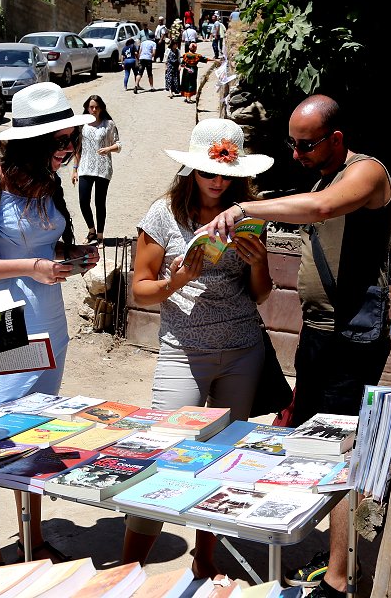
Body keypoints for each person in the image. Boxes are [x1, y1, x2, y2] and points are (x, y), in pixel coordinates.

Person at [202, 94, 391, 598]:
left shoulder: (367, 173)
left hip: (353, 336)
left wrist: (245, 206)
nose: (297, 154)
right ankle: (329, 558)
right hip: (320, 332)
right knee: (313, 446)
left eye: (306, 145)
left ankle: (337, 577)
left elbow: (323, 209)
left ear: (336, 139)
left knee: (342, 451)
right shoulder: (323, 174)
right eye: (293, 144)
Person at [0, 82, 100, 569]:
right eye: (60, 140)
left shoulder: (46, 184)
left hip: (46, 324)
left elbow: (42, 247)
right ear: (34, 142)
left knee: (32, 431)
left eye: (70, 138)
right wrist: (29, 267)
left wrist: (70, 257)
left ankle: (32, 541)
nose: (68, 148)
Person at [122, 118, 274, 579]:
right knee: (164, 453)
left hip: (242, 347)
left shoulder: (248, 213)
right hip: (183, 349)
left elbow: (261, 294)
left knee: (224, 456)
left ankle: (204, 556)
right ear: (191, 171)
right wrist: (179, 279)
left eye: (225, 173)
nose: (217, 181)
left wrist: (258, 261)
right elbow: (140, 291)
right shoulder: (163, 214)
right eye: (208, 172)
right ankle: (128, 568)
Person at [72, 95, 121, 247]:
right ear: (87, 108)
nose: (93, 110)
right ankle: (91, 230)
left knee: (100, 203)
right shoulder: (81, 125)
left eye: (96, 107)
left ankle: (100, 235)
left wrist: (108, 148)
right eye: (91, 107)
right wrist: (74, 169)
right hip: (85, 167)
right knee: (83, 201)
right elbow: (78, 149)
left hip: (102, 168)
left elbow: (119, 145)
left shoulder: (109, 124)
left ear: (101, 108)